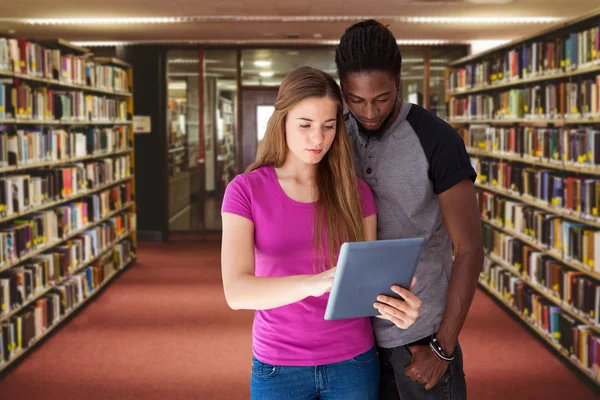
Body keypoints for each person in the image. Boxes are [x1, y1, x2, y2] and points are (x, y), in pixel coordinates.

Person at [220, 66, 423, 400]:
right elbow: (237, 292)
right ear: (281, 121)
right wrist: (315, 282)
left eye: (329, 126)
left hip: (353, 361)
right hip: (278, 365)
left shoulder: (356, 192)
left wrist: (398, 308)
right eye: (305, 125)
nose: (318, 139)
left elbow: (366, 286)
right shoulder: (246, 190)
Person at [334, 20, 484, 400]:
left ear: (399, 82)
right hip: (350, 338)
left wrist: (443, 348)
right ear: (341, 89)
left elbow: (469, 249)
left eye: (381, 98)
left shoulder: (437, 139)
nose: (369, 111)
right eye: (356, 99)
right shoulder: (332, 135)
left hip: (421, 338)